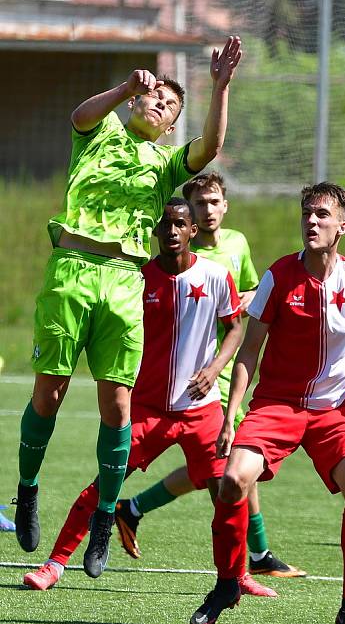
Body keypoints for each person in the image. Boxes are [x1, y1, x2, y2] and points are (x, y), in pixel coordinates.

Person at [13, 36, 242, 580]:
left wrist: (220, 86)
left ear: (168, 127)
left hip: (123, 280)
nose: (159, 104)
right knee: (49, 393)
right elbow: (81, 114)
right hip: (71, 271)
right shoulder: (102, 133)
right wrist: (123, 88)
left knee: (117, 407)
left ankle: (103, 521)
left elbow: (207, 149)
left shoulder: (165, 165)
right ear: (137, 102)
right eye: (156, 96)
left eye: (169, 106)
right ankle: (27, 492)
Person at [23, 199, 275, 598]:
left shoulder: (215, 276)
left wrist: (213, 369)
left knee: (227, 490)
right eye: (165, 226)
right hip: (146, 408)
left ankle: (238, 575)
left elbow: (234, 328)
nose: (172, 232)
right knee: (105, 482)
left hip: (200, 412)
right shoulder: (136, 280)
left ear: (193, 230)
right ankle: (55, 563)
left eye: (179, 225)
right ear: (155, 233)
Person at [189, 181, 345, 624]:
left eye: (322, 215)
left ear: (342, 226)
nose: (311, 222)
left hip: (331, 411)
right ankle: (227, 583)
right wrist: (233, 412)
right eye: (306, 213)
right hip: (277, 405)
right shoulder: (278, 276)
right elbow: (249, 350)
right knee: (232, 479)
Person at [115, 172, 305, 578]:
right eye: (199, 204)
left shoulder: (236, 244)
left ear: (224, 206)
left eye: (214, 201)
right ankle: (254, 557)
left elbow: (253, 291)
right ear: (190, 217)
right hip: (195, 378)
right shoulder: (179, 253)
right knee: (227, 467)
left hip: (225, 365)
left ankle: (134, 508)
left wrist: (250, 303)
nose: (208, 209)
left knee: (222, 468)